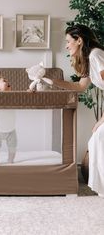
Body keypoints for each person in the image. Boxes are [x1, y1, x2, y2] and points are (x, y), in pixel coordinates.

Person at [50, 24, 104, 197]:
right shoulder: (89, 59)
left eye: (68, 41)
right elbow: (80, 87)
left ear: (79, 40)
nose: (66, 46)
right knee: (97, 140)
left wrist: (102, 119)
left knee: (99, 137)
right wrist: (52, 81)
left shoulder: (96, 55)